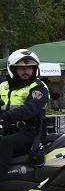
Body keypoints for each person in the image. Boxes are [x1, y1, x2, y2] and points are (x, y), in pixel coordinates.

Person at [0, 49, 48, 178]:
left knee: (4, 144)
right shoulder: (3, 86)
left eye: (29, 68)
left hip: (31, 133)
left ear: (35, 69)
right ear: (13, 69)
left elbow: (29, 109)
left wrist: (4, 117)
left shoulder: (38, 87)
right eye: (21, 68)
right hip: (8, 130)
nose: (25, 71)